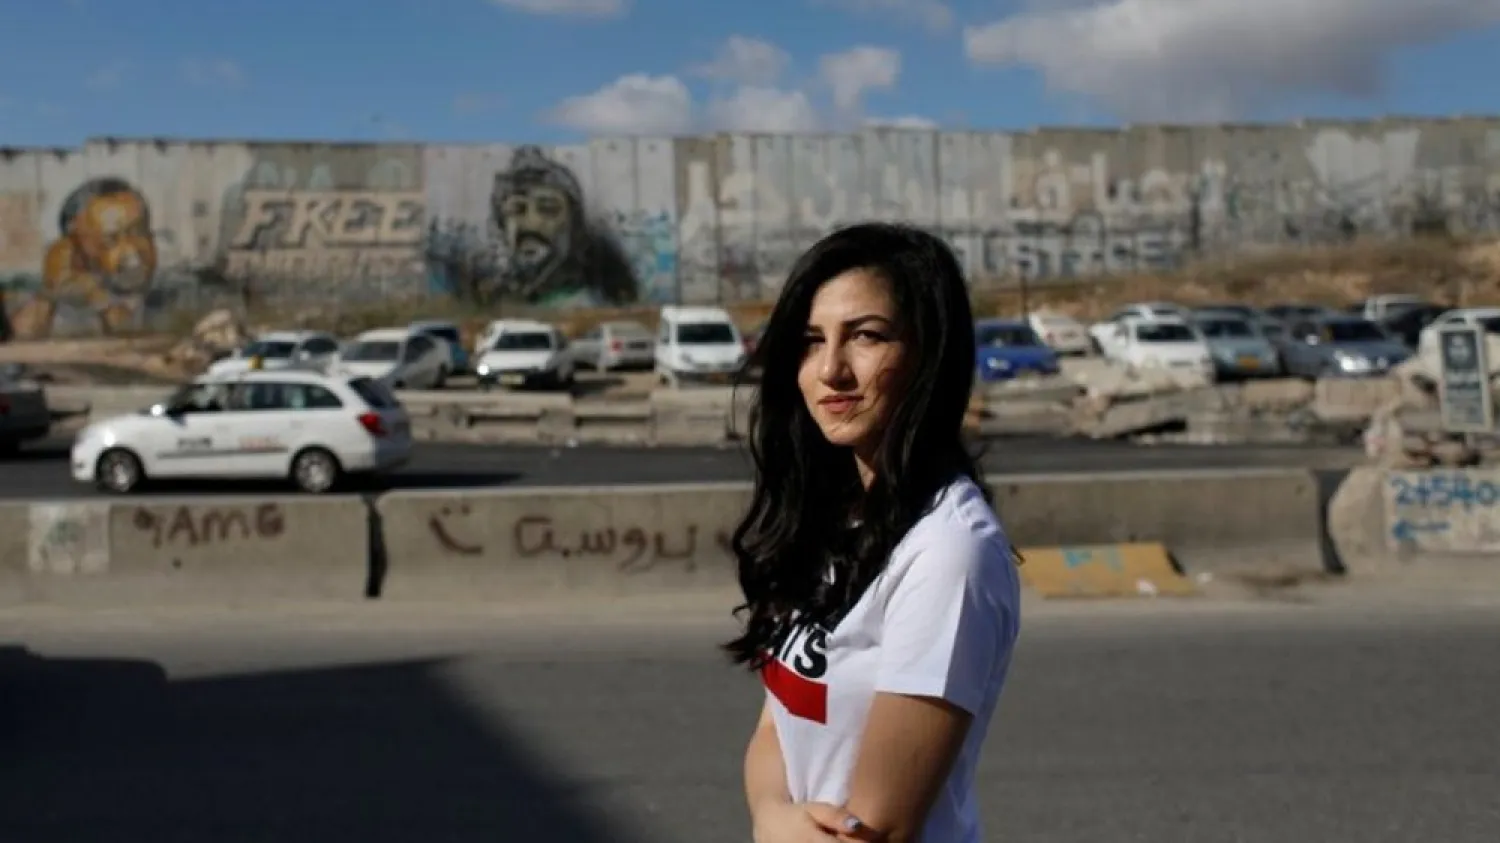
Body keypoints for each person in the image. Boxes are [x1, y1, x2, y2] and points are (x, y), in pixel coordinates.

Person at [723, 222, 1022, 843]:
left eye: (866, 336)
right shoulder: (836, 518)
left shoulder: (948, 552)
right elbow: (775, 728)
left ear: (927, 356)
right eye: (810, 341)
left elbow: (876, 827)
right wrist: (774, 819)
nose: (830, 369)